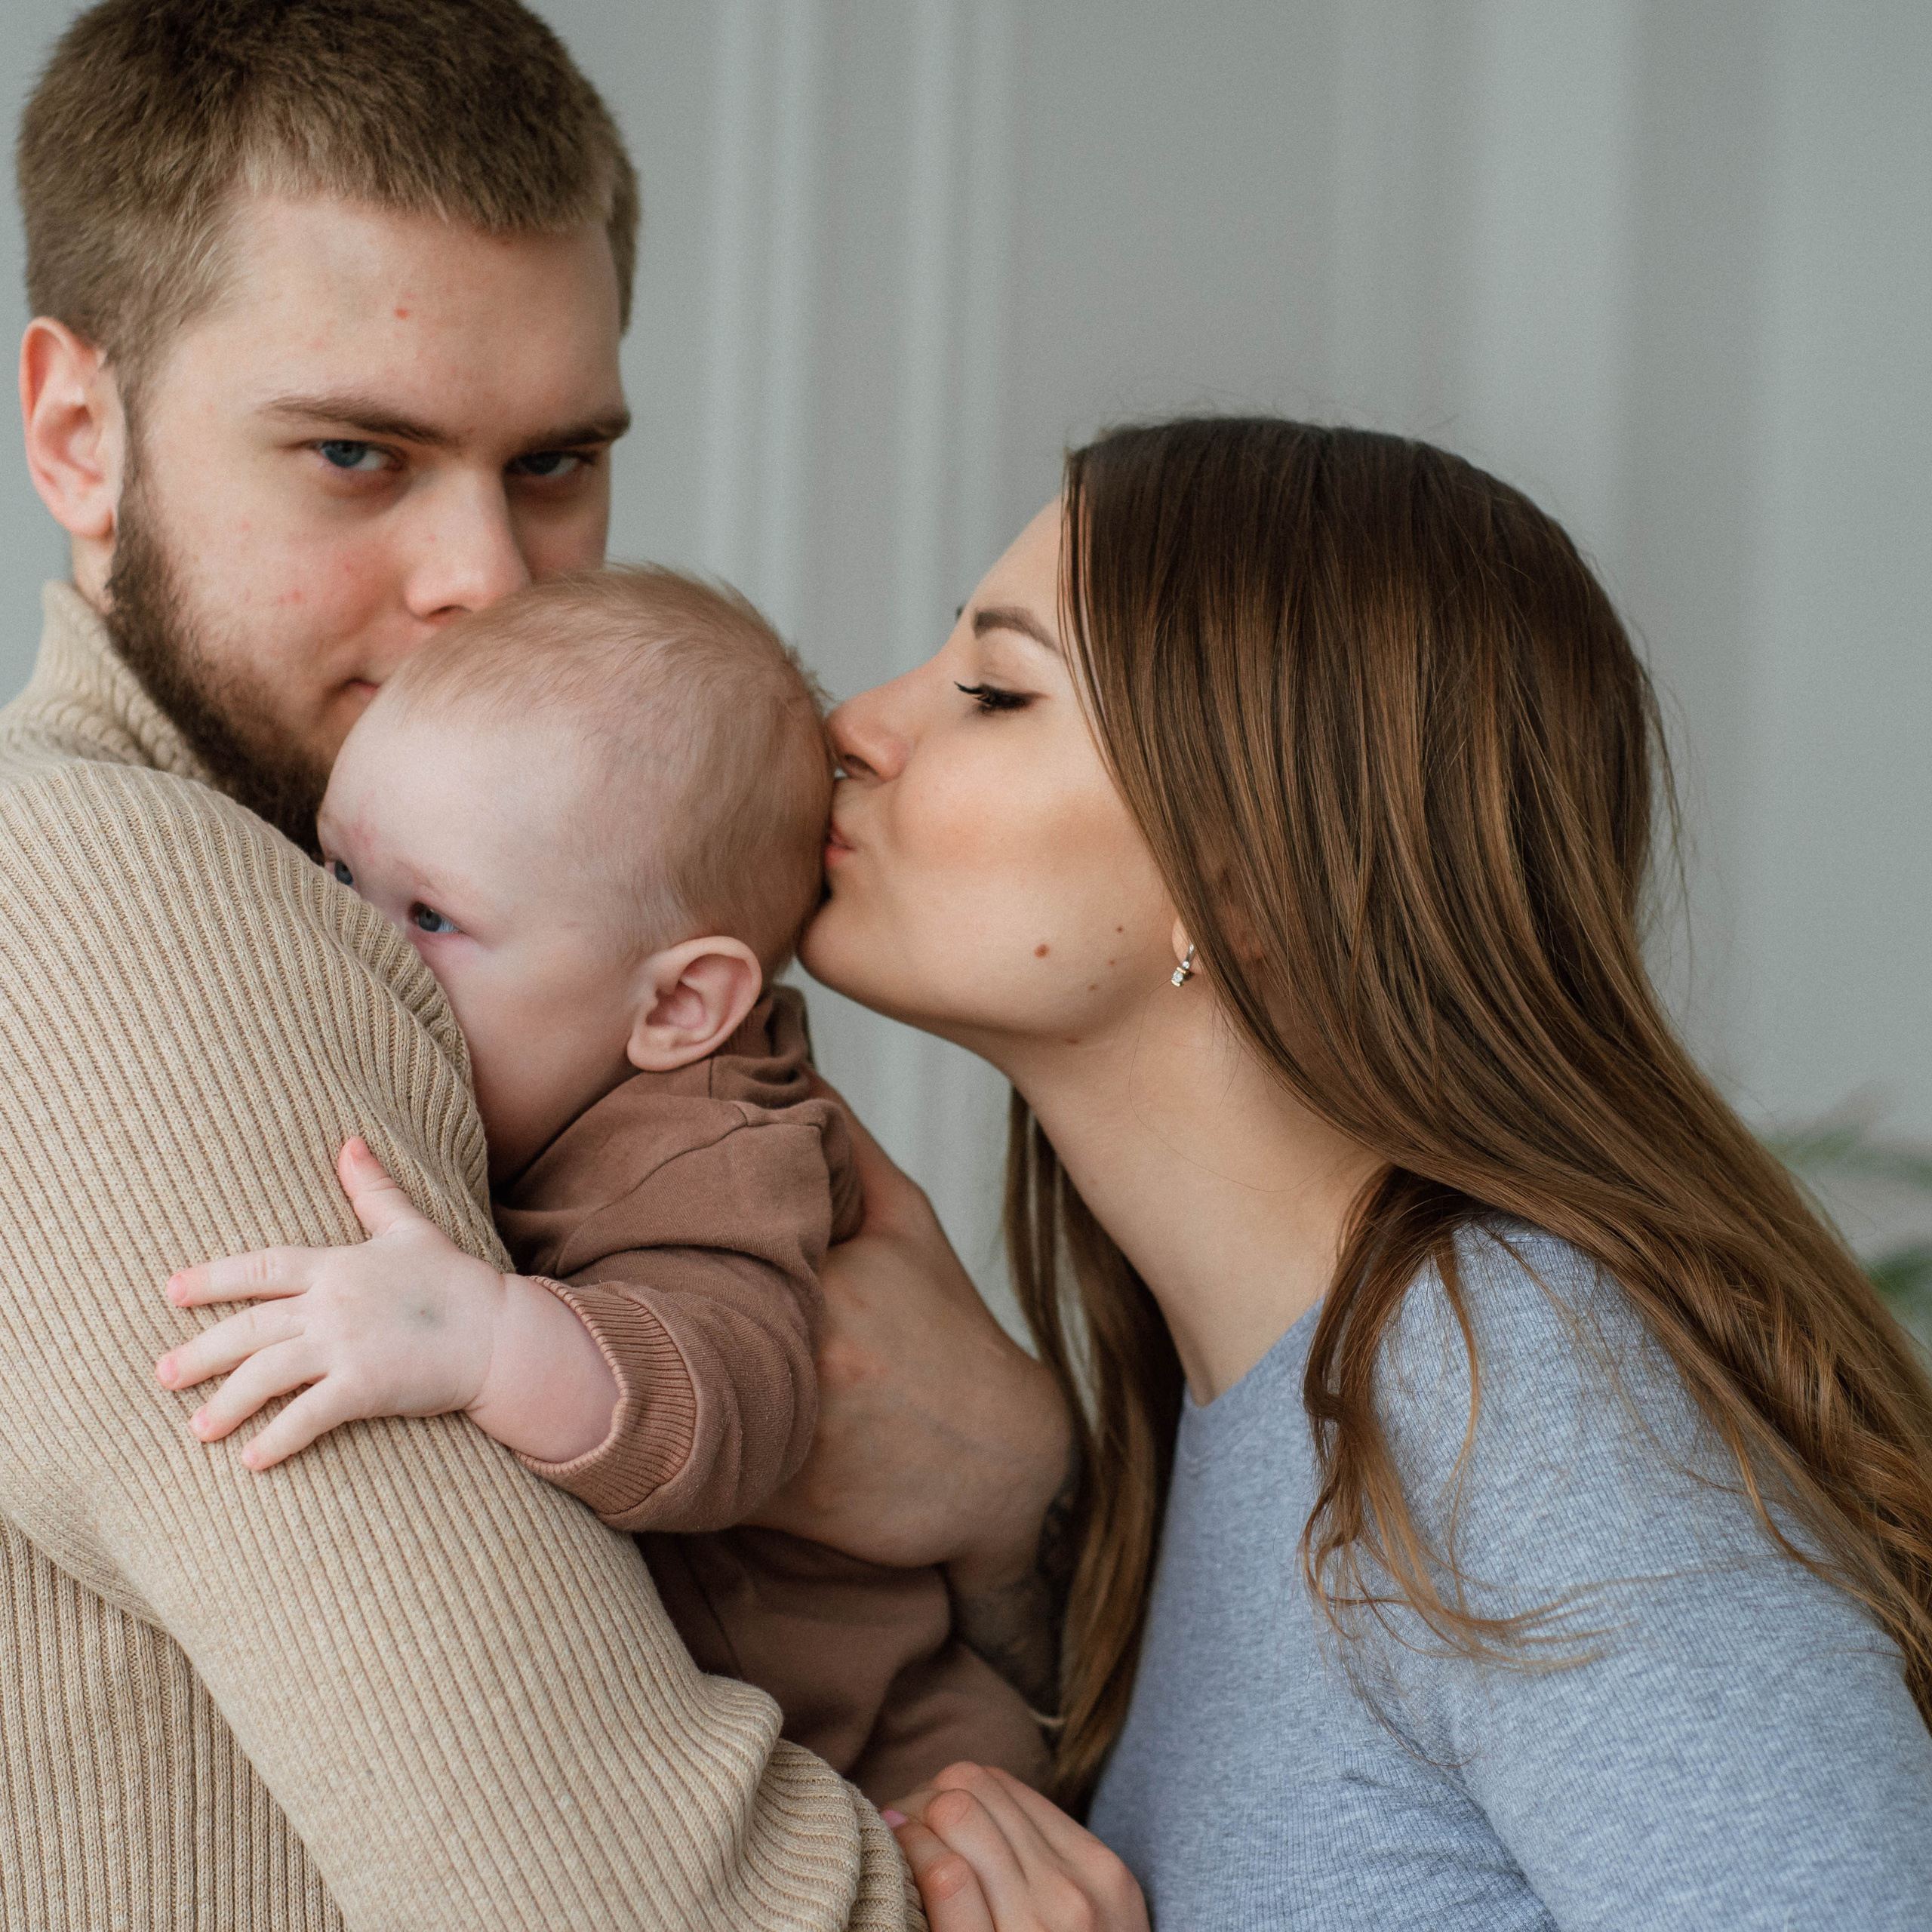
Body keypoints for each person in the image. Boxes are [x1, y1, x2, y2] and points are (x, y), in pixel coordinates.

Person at [0, 2, 1067, 1924]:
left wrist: (1000, 1486)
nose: (486, 580)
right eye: (356, 453)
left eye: (556, 461)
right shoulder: (106, 910)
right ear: (80, 433)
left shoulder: (494, 915)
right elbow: (636, 1898)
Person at [802, 417, 1932, 1929]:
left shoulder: (1506, 1385)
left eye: (996, 693)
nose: (855, 723)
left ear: (1249, 881)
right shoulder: (1263, 1402)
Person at [152, 566, 1052, 1804]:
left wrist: (482, 1336)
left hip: (897, 1766)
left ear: (678, 1006)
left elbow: (733, 1403)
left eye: (431, 917)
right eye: (341, 875)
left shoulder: (715, 1148)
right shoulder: (532, 1068)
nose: (353, 945)